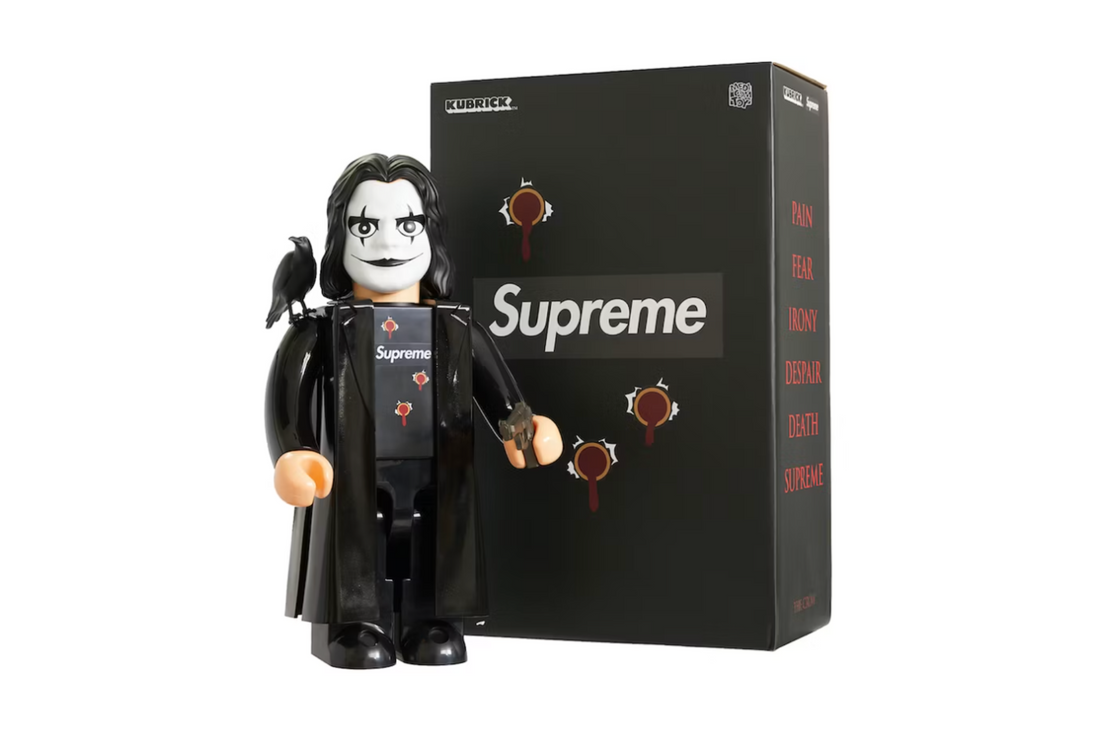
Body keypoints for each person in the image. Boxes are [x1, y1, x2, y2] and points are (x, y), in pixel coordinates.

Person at [265, 153, 562, 668]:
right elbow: (287, 393)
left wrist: (525, 428)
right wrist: (293, 451)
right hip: (353, 469)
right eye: (365, 226)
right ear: (339, 237)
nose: (386, 244)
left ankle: (433, 621)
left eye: (407, 225)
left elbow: (498, 394)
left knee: (439, 533)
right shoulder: (320, 329)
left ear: (431, 234)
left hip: (439, 465)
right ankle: (356, 625)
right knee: (357, 537)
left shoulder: (455, 327)